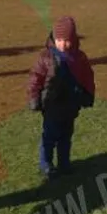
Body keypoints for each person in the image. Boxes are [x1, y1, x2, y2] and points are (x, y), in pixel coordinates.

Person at [27, 16, 96, 181]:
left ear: (73, 39)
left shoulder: (79, 57)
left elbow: (87, 76)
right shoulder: (46, 57)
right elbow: (35, 78)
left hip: (71, 104)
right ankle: (46, 164)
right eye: (59, 40)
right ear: (54, 38)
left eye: (66, 41)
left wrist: (88, 94)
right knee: (50, 136)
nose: (63, 45)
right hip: (52, 104)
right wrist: (34, 97)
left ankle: (64, 163)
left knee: (66, 136)